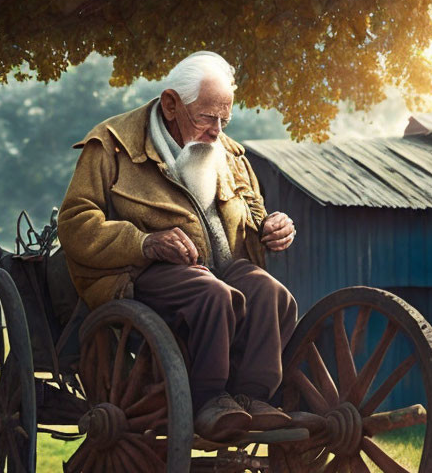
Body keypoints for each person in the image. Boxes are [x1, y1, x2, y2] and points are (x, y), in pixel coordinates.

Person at [58, 51, 297, 441]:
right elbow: (74, 224)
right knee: (212, 295)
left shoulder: (230, 153)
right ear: (171, 104)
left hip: (221, 270)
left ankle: (251, 399)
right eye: (206, 118)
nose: (217, 131)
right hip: (141, 276)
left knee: (273, 293)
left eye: (224, 119)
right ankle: (209, 402)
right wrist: (145, 243)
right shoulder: (112, 145)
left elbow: (254, 211)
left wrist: (272, 226)